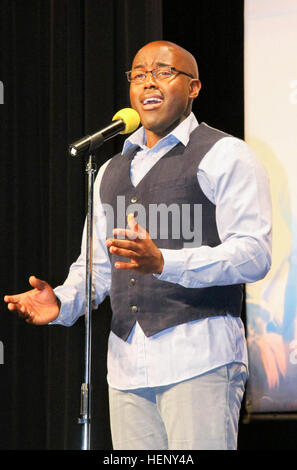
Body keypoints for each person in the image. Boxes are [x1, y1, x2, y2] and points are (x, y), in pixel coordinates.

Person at [4, 40, 272, 450]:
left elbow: (254, 254)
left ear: (194, 87)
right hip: (126, 369)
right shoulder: (109, 170)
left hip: (200, 360)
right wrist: (60, 302)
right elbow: (94, 266)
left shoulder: (226, 155)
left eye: (164, 72)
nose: (149, 82)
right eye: (139, 73)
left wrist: (166, 262)